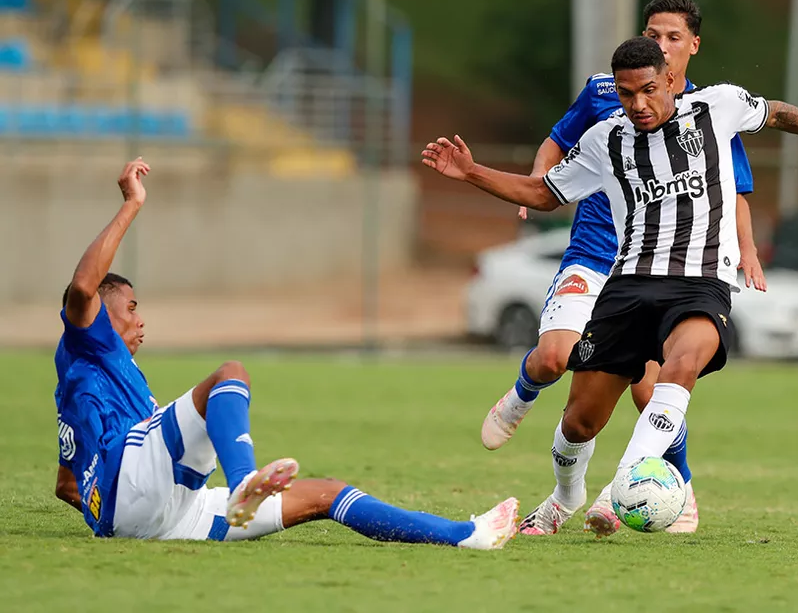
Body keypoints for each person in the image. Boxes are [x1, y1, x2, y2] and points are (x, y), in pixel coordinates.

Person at [422, 36, 798, 537]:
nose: (638, 104)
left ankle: (623, 488)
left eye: (649, 90)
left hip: (700, 284)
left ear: (672, 81)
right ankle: (564, 497)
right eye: (626, 92)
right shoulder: (604, 140)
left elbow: (780, 113)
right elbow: (542, 194)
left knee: (679, 367)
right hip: (629, 285)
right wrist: (470, 172)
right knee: (579, 424)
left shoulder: (716, 107)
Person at [53, 158, 519, 548]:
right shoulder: (87, 339)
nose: (139, 320)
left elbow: (67, 486)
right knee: (228, 374)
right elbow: (82, 285)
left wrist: (117, 517)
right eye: (131, 308)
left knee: (326, 494)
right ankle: (242, 485)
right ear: (98, 311)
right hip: (134, 485)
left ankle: (465, 535)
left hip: (162, 516)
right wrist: (132, 203)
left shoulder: (83, 382)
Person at [481, 0, 766, 536]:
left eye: (672, 37)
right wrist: (530, 186)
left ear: (691, 49)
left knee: (652, 390)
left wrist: (745, 249)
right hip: (597, 252)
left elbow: (737, 192)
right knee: (553, 359)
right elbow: (554, 148)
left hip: (670, 272)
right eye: (652, 33)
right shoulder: (602, 92)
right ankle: (523, 398)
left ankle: (666, 489)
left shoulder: (712, 111)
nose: (660, 43)